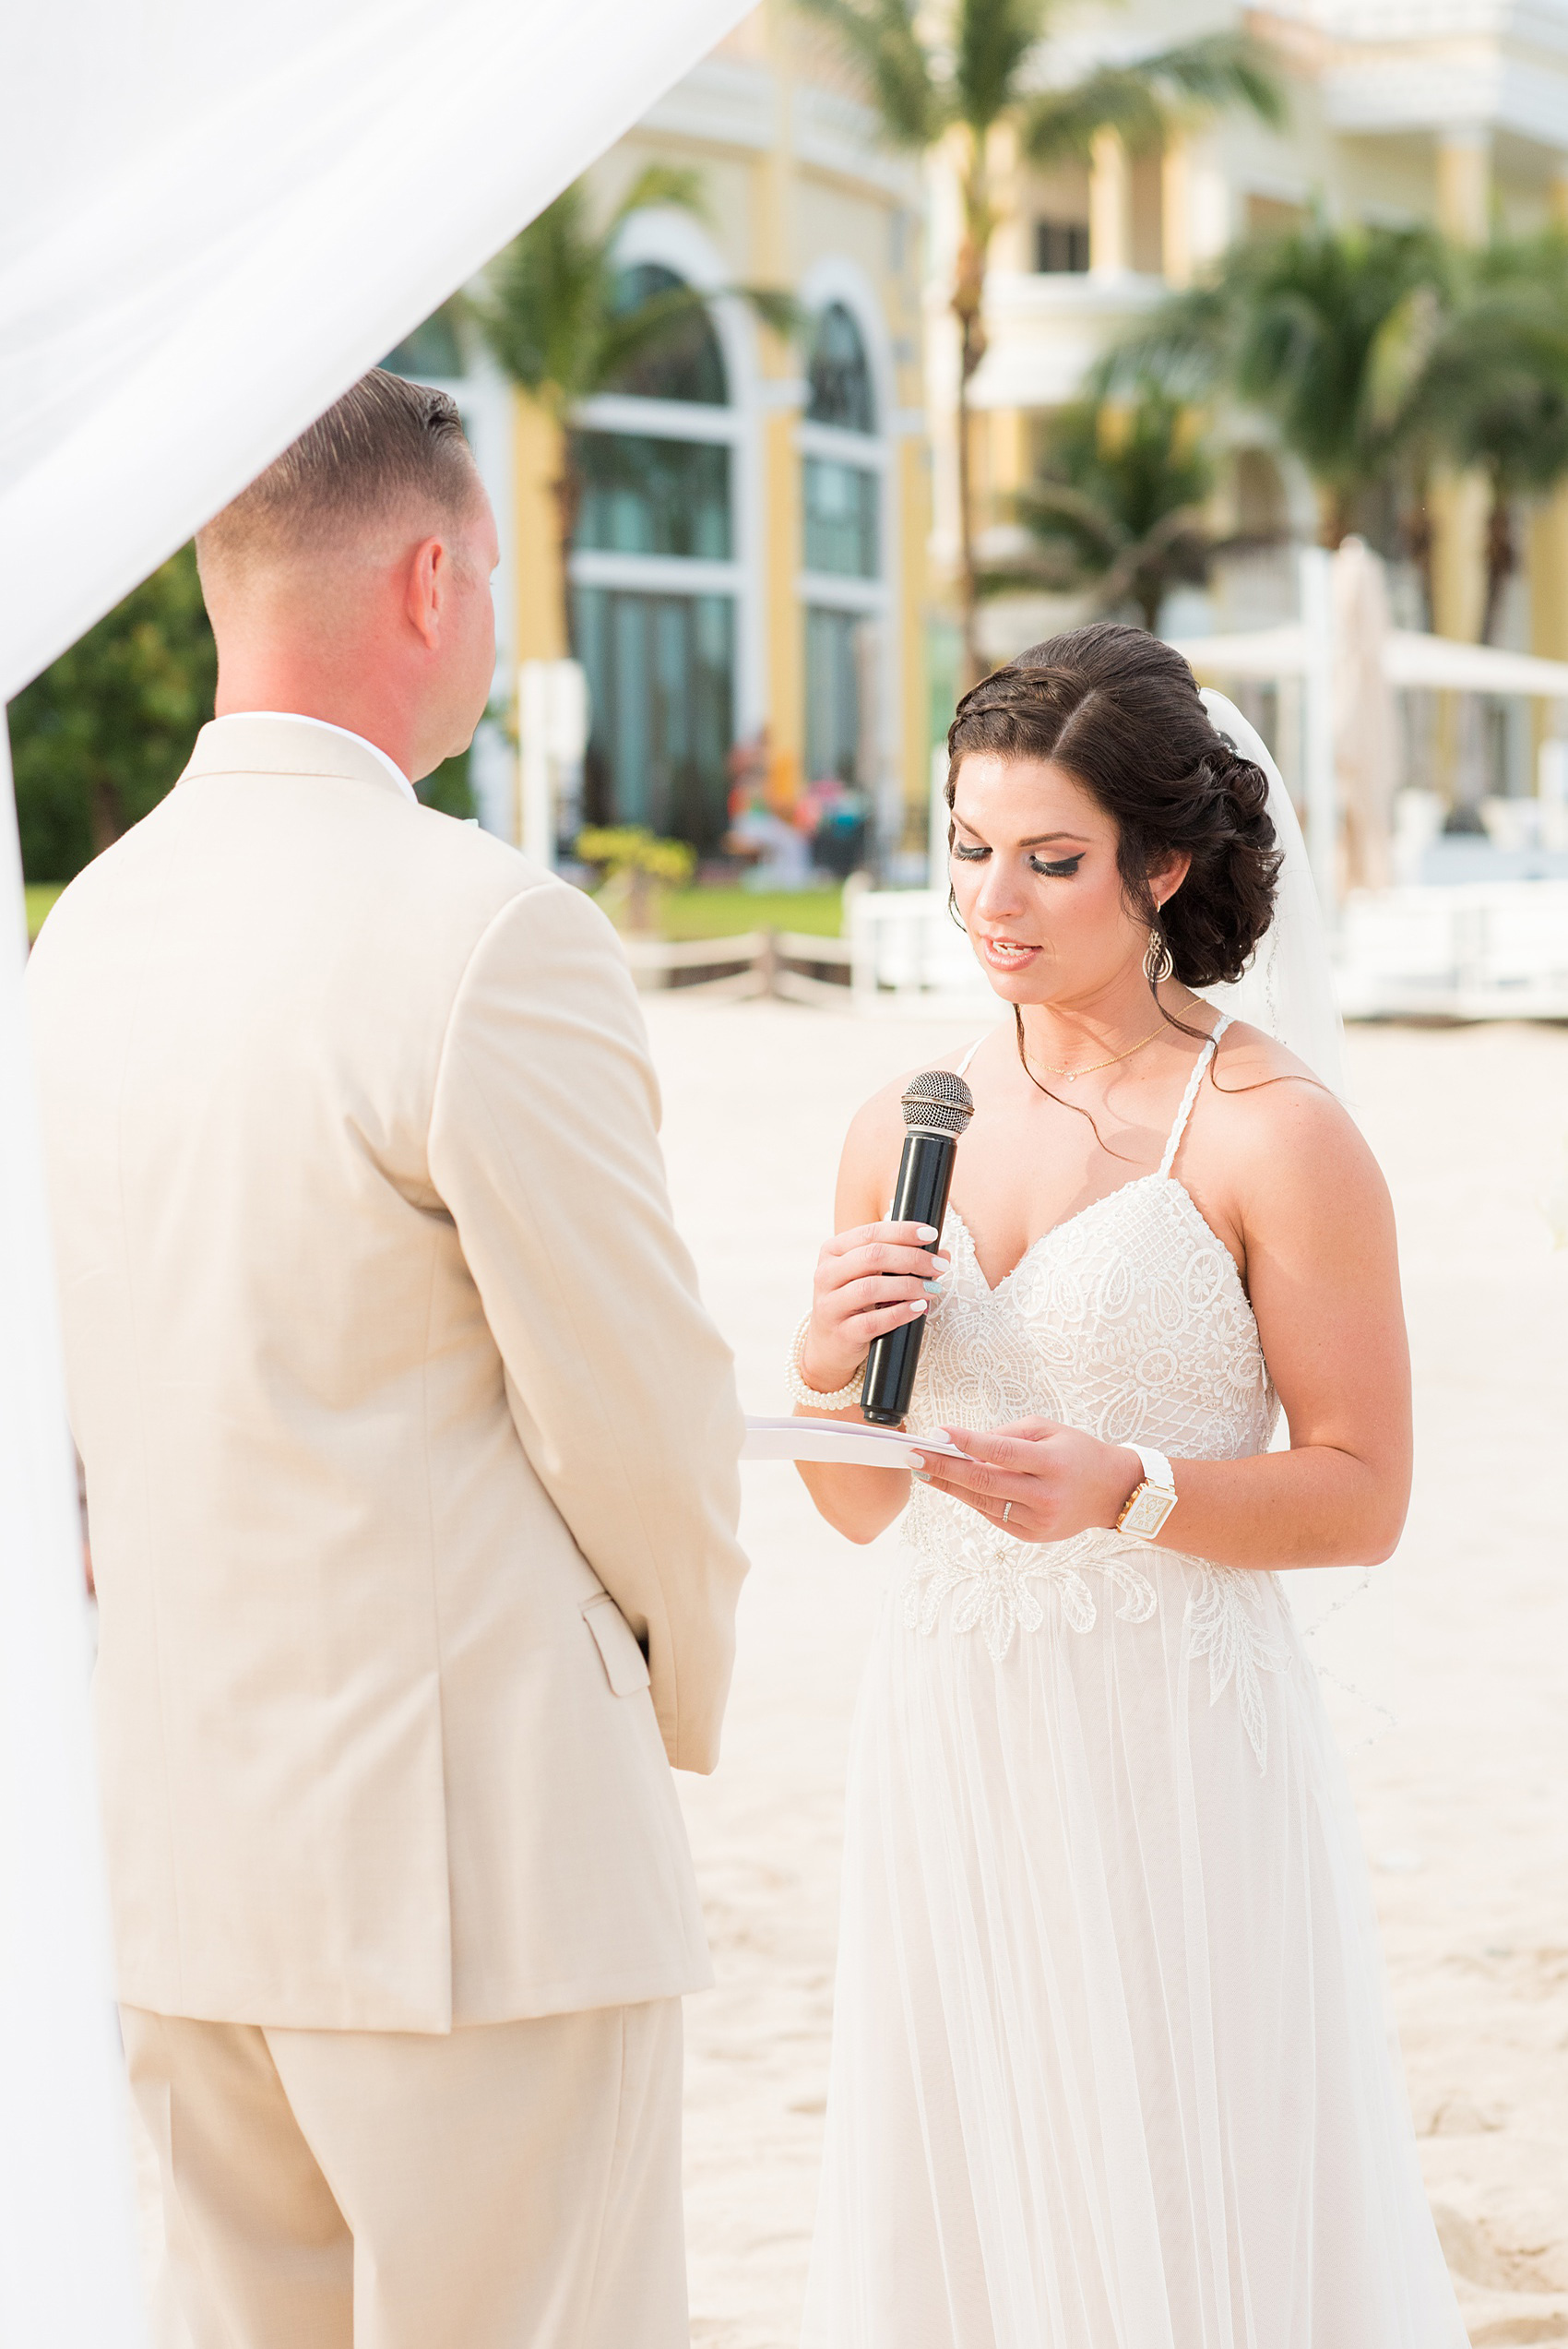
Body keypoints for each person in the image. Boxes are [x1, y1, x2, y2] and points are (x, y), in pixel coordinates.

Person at [26, 370, 748, 2349]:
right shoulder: (484, 928)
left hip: (183, 1857)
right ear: (432, 577)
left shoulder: (78, 933)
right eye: (496, 572)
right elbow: (646, 1417)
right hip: (479, 1874)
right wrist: (672, 1692)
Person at [788, 626, 1467, 2346]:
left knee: (1187, 2174)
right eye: (964, 846)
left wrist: (1134, 1490)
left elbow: (1364, 1492)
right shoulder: (904, 1118)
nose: (989, 902)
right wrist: (819, 1371)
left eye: (1048, 859)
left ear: (1161, 866)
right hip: (949, 1722)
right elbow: (866, 1508)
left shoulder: (1269, 1129)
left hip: (1170, 1736)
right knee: (968, 2180)